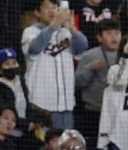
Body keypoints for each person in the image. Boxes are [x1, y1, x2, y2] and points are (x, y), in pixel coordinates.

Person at [23, 0, 88, 130]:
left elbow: (82, 47)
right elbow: (34, 49)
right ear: (37, 12)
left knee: (65, 141)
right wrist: (54, 25)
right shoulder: (30, 31)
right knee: (44, 141)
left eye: (54, 7)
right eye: (47, 7)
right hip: (41, 105)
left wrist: (72, 28)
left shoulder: (66, 32)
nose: (52, 10)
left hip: (66, 103)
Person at [75, 18, 121, 143]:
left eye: (117, 33)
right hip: (94, 112)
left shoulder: (126, 56)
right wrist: (90, 68)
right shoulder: (89, 55)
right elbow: (77, 83)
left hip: (120, 113)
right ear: (99, 37)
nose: (114, 37)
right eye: (109, 33)